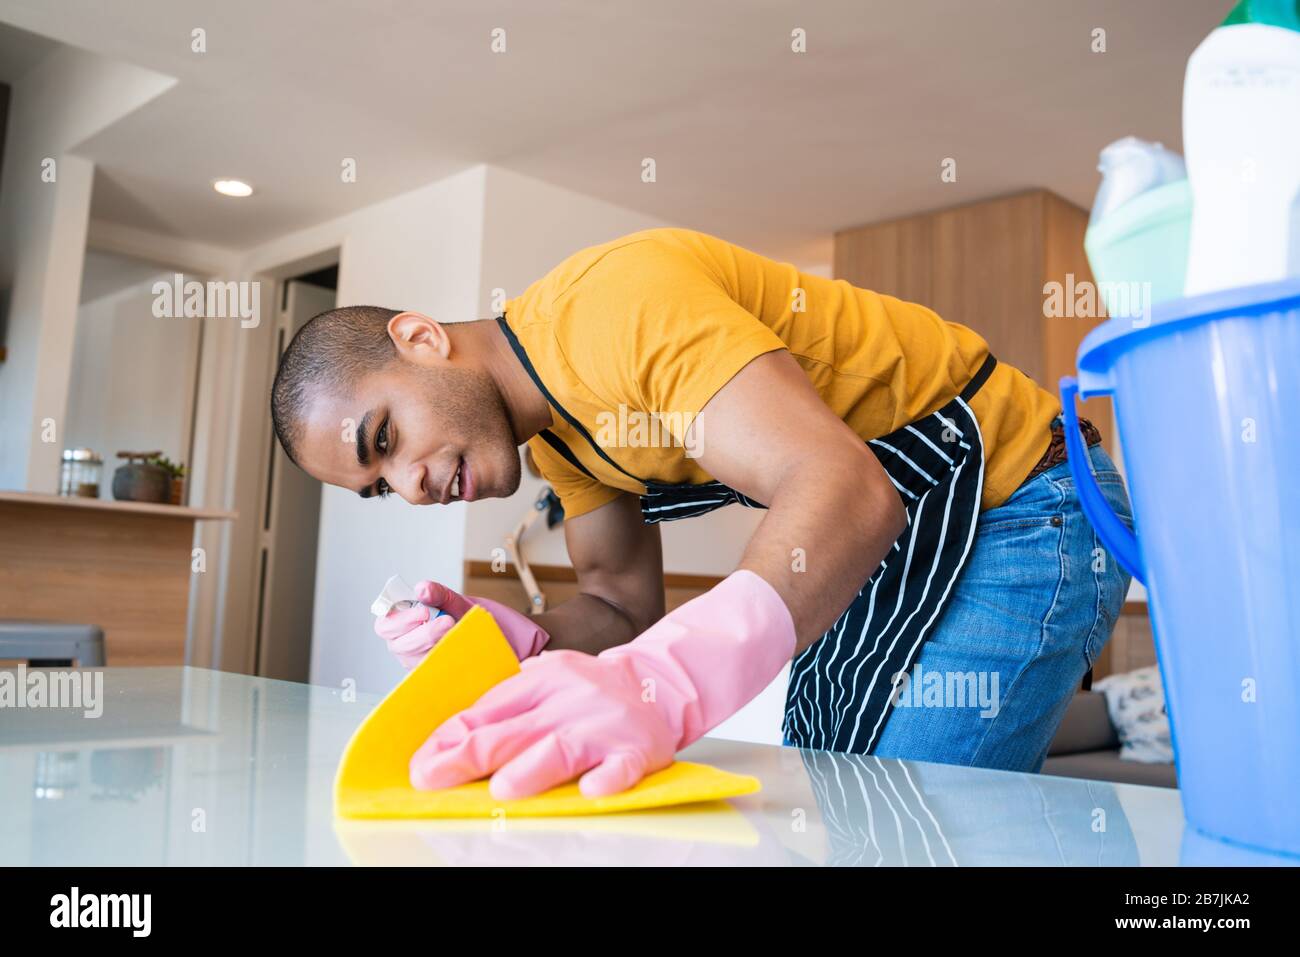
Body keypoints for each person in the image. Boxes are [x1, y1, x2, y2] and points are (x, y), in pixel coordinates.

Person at [270, 227, 1132, 800]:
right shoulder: (562, 444)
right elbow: (619, 608)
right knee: (838, 808)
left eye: (384, 438)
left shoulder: (612, 312)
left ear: (421, 339)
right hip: (898, 545)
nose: (408, 486)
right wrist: (505, 637)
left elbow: (843, 484)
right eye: (379, 486)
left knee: (906, 827)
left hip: (1022, 504)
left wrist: (665, 683)